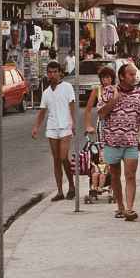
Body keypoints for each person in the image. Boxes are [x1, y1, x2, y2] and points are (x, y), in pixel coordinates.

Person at [98, 62, 140, 222]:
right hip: (111, 142)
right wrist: (114, 99)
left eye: (135, 74)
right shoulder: (108, 91)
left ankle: (130, 208)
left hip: (131, 142)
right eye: (131, 75)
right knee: (115, 176)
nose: (134, 77)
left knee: (130, 175)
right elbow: (101, 114)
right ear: (121, 76)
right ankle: (120, 206)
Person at [31, 61, 77, 200]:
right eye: (50, 72)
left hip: (65, 126)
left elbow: (72, 105)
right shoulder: (46, 93)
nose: (52, 75)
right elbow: (42, 112)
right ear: (47, 74)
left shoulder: (67, 87)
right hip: (52, 128)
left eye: (55, 72)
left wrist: (73, 122)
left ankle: (71, 185)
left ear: (60, 72)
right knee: (56, 160)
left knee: (64, 157)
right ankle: (59, 191)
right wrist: (36, 127)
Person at [84, 66, 116, 138]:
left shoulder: (117, 89)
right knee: (102, 147)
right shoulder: (97, 90)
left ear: (112, 78)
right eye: (102, 77)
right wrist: (88, 125)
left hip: (116, 122)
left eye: (107, 77)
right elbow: (88, 110)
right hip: (102, 123)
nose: (105, 80)